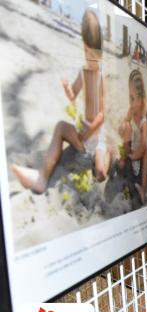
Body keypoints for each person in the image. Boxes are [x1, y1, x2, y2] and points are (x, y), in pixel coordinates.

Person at [12, 9, 111, 193]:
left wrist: (91, 130)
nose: (90, 60)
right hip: (82, 138)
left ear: (100, 52)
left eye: (94, 56)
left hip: (96, 138)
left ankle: (107, 157)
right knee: (60, 127)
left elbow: (103, 114)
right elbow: (74, 94)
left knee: (100, 172)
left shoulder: (101, 77)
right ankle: (42, 178)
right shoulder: (83, 72)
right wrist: (69, 91)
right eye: (86, 52)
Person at [119, 69, 147, 204]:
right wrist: (126, 121)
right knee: (127, 126)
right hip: (128, 156)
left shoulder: (143, 122)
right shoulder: (131, 113)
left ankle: (142, 188)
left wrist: (133, 155)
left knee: (146, 153)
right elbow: (121, 130)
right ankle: (124, 167)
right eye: (129, 98)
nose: (131, 103)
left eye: (133, 99)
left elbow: (142, 147)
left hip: (137, 159)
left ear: (141, 98)